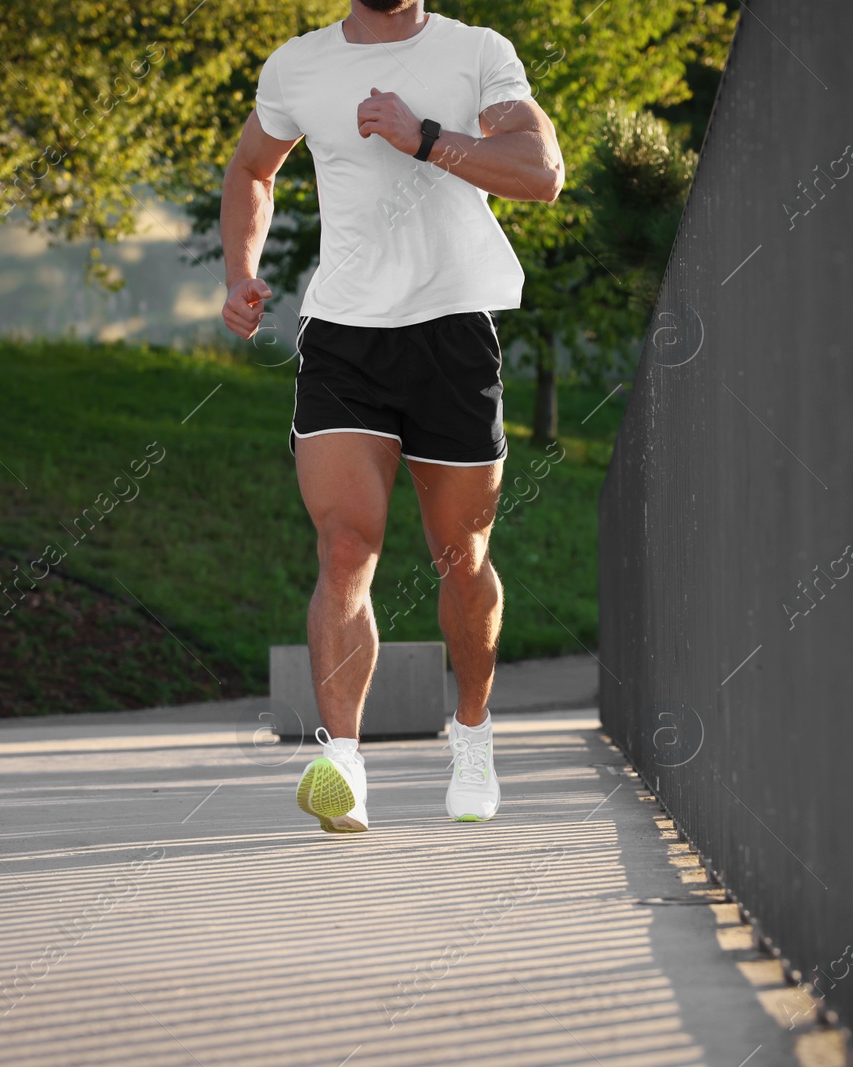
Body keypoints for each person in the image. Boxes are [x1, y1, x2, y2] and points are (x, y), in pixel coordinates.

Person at [218, 0, 564, 832]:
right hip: (344, 337)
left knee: (461, 554)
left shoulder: (477, 52)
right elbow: (252, 170)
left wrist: (428, 137)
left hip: (453, 330)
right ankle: (343, 757)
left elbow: (542, 174)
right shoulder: (297, 64)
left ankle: (472, 734)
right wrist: (241, 271)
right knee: (345, 543)